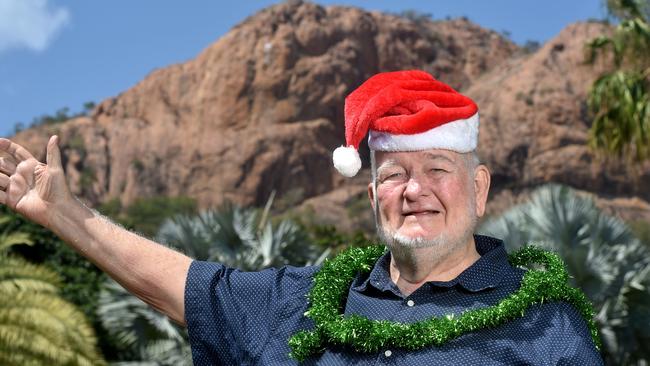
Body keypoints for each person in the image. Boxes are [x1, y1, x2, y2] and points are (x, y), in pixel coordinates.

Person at [0, 70, 603, 365]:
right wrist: (66, 215)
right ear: (372, 197)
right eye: (393, 174)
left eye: (438, 169)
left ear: (478, 188)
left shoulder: (547, 326)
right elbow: (183, 288)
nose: (415, 190)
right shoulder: (309, 302)